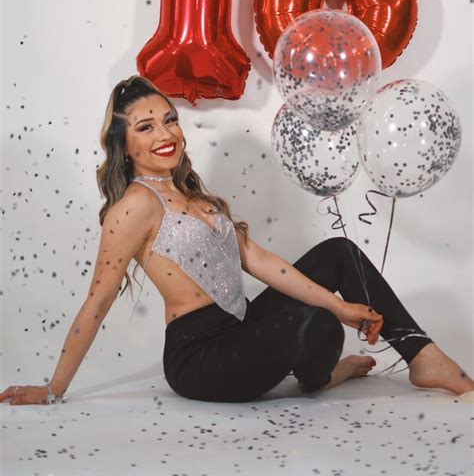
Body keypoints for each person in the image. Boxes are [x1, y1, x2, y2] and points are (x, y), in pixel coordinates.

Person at [1, 76, 472, 405]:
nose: (165, 135)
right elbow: (97, 301)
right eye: (146, 127)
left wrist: (344, 305)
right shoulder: (134, 207)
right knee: (316, 323)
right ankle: (322, 375)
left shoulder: (192, 193)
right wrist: (53, 388)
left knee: (338, 254)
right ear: (124, 143)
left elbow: (261, 261)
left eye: (169, 120)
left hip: (244, 329)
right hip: (201, 357)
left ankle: (423, 356)